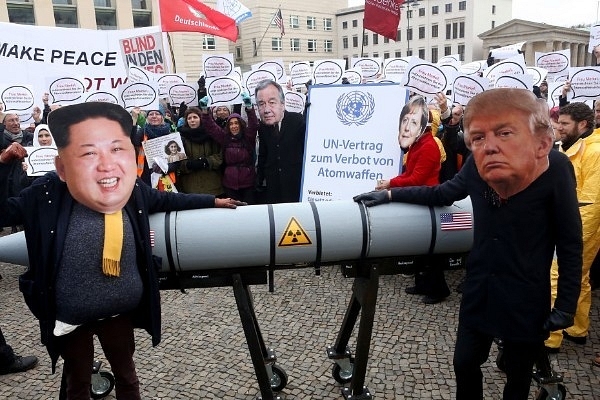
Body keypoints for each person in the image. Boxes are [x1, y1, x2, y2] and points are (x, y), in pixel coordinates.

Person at [0, 102, 244, 399]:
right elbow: (4, 211)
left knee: (127, 378)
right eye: (88, 153)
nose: (103, 163)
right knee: (77, 382)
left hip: (118, 310)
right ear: (63, 166)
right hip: (70, 312)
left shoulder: (128, 187)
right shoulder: (46, 192)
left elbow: (167, 201)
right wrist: (3, 165)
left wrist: (213, 202)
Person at [354, 88, 582, 400]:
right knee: (464, 363)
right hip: (480, 288)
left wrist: (566, 305)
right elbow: (442, 193)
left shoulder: (554, 166)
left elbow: (570, 241)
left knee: (517, 377)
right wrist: (390, 194)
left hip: (525, 294)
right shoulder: (478, 162)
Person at [375, 96, 449, 304]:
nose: (407, 127)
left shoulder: (429, 146)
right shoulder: (418, 144)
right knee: (421, 246)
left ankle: (438, 289)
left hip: (427, 199)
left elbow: (416, 178)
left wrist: (390, 183)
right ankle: (423, 283)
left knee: (431, 249)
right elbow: (411, 175)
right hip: (420, 198)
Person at [545, 102, 600, 353]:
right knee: (580, 277)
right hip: (570, 224)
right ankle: (577, 328)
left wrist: (571, 236)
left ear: (583, 125)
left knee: (557, 275)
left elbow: (591, 201)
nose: (560, 127)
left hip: (583, 227)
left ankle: (550, 337)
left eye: (565, 124)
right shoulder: (570, 146)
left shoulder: (595, 152)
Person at [201, 92, 259, 204]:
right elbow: (211, 127)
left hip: (248, 183)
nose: (234, 126)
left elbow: (254, 125)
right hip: (230, 184)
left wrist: (249, 108)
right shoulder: (225, 138)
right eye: (231, 124)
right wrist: (205, 111)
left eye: (236, 123)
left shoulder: (248, 137)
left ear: (241, 124)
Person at [254, 79, 306, 204]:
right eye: (261, 104)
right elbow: (263, 155)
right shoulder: (263, 126)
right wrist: (259, 179)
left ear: (282, 104)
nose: (266, 109)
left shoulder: (299, 122)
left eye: (272, 102)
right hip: (273, 191)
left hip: (297, 189)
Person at [175, 106, 224, 196]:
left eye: (195, 117)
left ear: (200, 119)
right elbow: (177, 162)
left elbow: (220, 156)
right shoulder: (180, 138)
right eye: (189, 118)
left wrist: (206, 161)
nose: (192, 120)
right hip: (190, 188)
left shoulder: (211, 135)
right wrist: (189, 165)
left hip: (213, 186)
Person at [131, 103, 176, 186]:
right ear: (147, 117)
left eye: (157, 114)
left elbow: (177, 161)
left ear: (162, 116)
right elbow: (132, 141)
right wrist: (134, 119)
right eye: (151, 114)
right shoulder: (143, 132)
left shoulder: (170, 133)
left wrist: (166, 168)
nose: (154, 116)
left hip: (166, 178)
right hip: (146, 177)